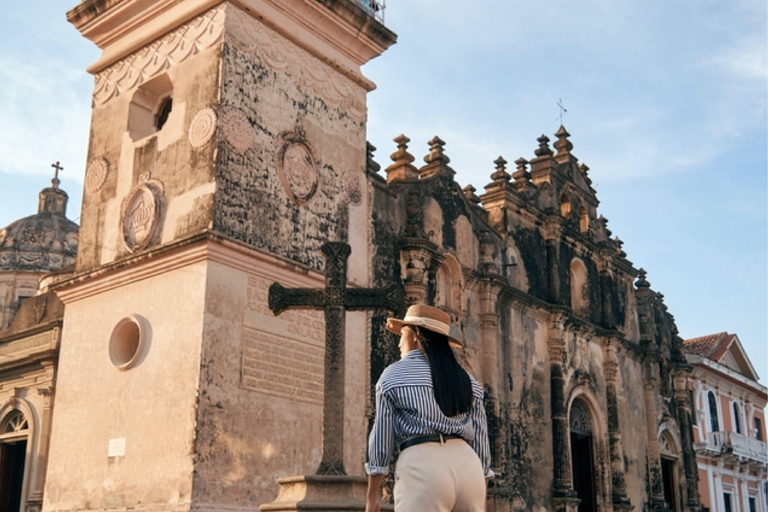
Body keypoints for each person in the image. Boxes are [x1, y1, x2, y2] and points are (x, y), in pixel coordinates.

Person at [365, 304, 493, 512]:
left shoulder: (393, 375)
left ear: (415, 335)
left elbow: (381, 440)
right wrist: (481, 489)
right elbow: (481, 442)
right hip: (469, 470)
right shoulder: (467, 380)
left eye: (402, 333)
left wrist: (372, 496)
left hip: (423, 466)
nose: (399, 342)